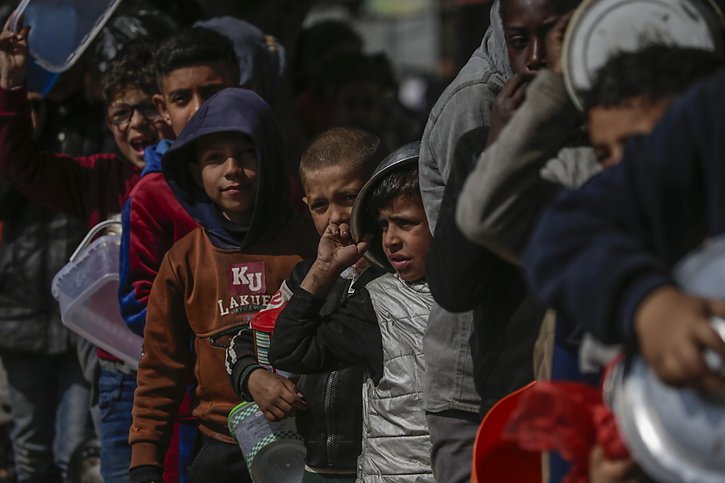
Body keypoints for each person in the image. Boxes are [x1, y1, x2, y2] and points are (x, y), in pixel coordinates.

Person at [522, 67, 725, 481]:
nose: (618, 165)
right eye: (604, 155)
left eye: (635, 146)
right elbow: (560, 235)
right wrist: (648, 304)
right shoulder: (713, 114)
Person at [418, 1, 577, 479]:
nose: (534, 59)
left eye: (553, 36)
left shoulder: (624, 130)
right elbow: (454, 284)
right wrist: (495, 156)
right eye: (518, 41)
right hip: (510, 390)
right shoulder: (478, 121)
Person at [128, 88, 316, 483]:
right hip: (220, 448)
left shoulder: (310, 246)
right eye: (215, 158)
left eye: (248, 153)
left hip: (308, 445)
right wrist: (146, 457)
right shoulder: (183, 261)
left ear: (271, 158)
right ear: (196, 172)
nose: (233, 168)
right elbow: (160, 366)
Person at [115, 27, 240, 483]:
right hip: (188, 407)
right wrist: (217, 332)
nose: (200, 107)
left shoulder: (263, 183)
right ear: (162, 110)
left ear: (242, 90)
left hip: (272, 402)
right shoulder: (152, 195)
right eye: (181, 98)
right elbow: (137, 302)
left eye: (213, 91)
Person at [227, 127, 385, 482]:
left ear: (376, 192)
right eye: (320, 205)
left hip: (376, 462)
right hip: (309, 464)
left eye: (348, 198)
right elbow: (245, 340)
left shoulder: (397, 278)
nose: (335, 217)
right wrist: (254, 377)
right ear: (306, 206)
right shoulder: (305, 279)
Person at [268, 147, 435, 482]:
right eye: (385, 225)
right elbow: (288, 349)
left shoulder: (488, 296)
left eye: (405, 224)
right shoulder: (382, 299)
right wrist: (323, 270)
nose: (391, 239)